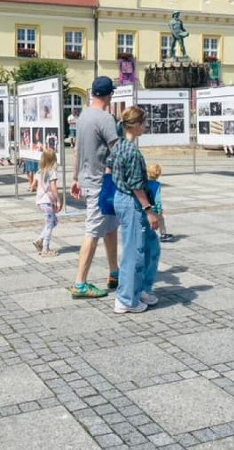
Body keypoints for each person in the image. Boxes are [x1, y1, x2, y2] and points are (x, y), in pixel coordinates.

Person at [68, 76, 120, 299]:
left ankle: (114, 272)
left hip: (88, 180)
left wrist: (74, 178)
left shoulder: (83, 115)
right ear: (109, 95)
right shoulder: (106, 118)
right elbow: (117, 152)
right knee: (93, 231)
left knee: (110, 227)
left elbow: (77, 149)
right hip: (101, 183)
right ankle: (80, 284)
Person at [111, 107, 162, 314]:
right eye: (144, 123)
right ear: (137, 125)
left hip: (124, 199)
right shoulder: (130, 151)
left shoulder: (120, 145)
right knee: (134, 252)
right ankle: (125, 299)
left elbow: (109, 166)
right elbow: (136, 186)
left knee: (150, 246)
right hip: (132, 201)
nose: (146, 126)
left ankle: (140, 289)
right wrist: (149, 210)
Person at [33, 148, 62, 257]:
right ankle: (45, 248)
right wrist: (58, 200)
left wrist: (40, 189)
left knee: (53, 222)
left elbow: (33, 185)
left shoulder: (39, 172)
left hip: (41, 201)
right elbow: (54, 187)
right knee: (50, 224)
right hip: (48, 201)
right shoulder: (52, 172)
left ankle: (39, 240)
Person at [147, 164, 172, 242]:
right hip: (155, 207)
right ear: (158, 174)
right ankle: (163, 234)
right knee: (161, 220)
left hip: (147, 206)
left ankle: (149, 235)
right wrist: (159, 208)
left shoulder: (145, 183)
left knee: (148, 221)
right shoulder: (157, 185)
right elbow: (157, 198)